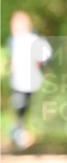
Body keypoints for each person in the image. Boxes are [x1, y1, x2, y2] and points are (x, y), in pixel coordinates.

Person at [6, 11, 53, 149]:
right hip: (19, 82)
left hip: (31, 81)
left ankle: (24, 135)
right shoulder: (13, 40)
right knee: (20, 110)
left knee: (24, 110)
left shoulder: (33, 39)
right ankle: (19, 135)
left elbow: (45, 56)